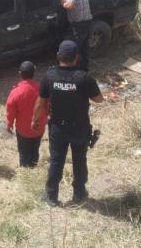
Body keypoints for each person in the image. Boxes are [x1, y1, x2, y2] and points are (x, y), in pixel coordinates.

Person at [33, 41, 104, 206]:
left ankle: (51, 196)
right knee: (79, 160)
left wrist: (35, 120)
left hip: (58, 127)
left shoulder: (49, 77)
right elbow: (99, 99)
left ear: (58, 57)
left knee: (56, 161)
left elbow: (40, 103)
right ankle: (79, 194)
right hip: (80, 127)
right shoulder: (84, 77)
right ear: (77, 58)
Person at [6, 61, 47, 167]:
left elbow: (10, 110)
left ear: (20, 74)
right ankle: (33, 167)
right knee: (35, 149)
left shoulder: (16, 92)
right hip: (38, 129)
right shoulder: (42, 89)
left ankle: (25, 171)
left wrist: (9, 124)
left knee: (24, 152)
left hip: (23, 131)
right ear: (34, 73)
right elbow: (48, 107)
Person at [61, 0, 93, 71]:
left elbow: (68, 6)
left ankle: (75, 70)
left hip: (80, 24)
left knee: (75, 47)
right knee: (84, 47)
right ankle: (84, 69)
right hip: (86, 22)